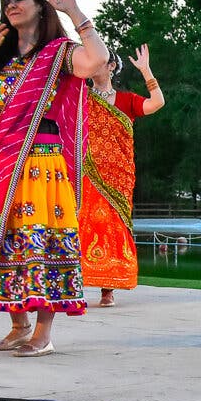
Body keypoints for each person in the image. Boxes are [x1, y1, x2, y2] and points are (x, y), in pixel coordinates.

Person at [0, 0, 108, 357]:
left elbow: (95, 60)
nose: (11, 5)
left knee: (39, 239)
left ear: (39, 5)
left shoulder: (58, 53)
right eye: (6, 0)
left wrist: (77, 14)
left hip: (40, 160)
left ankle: (42, 333)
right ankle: (18, 326)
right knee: (7, 241)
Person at [80, 44, 165, 308]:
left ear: (112, 66)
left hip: (118, 175)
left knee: (113, 227)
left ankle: (108, 289)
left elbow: (157, 103)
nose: (95, 68)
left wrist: (146, 70)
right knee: (85, 223)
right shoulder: (82, 98)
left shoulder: (127, 100)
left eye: (101, 63)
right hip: (89, 172)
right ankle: (77, 280)